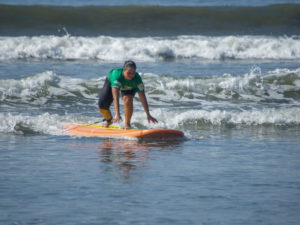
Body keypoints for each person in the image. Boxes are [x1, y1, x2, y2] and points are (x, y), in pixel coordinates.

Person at [98, 60, 158, 129]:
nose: (131, 75)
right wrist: (117, 114)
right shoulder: (117, 76)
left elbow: (142, 96)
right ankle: (109, 120)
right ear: (123, 70)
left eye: (133, 73)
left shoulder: (137, 79)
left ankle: (127, 125)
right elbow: (116, 97)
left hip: (129, 86)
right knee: (102, 106)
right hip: (111, 81)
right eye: (129, 73)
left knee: (128, 99)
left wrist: (148, 114)